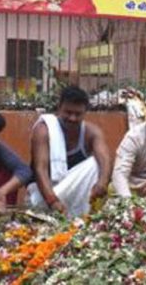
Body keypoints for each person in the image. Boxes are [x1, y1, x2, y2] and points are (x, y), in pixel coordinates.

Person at [28, 86, 111, 217]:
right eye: (68, 112)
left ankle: (84, 217)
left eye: (78, 114)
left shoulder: (91, 132)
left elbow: (105, 159)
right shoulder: (44, 130)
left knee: (96, 163)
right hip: (44, 196)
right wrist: (52, 200)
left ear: (85, 112)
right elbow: (40, 169)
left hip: (76, 196)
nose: (72, 118)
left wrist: (102, 183)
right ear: (59, 108)